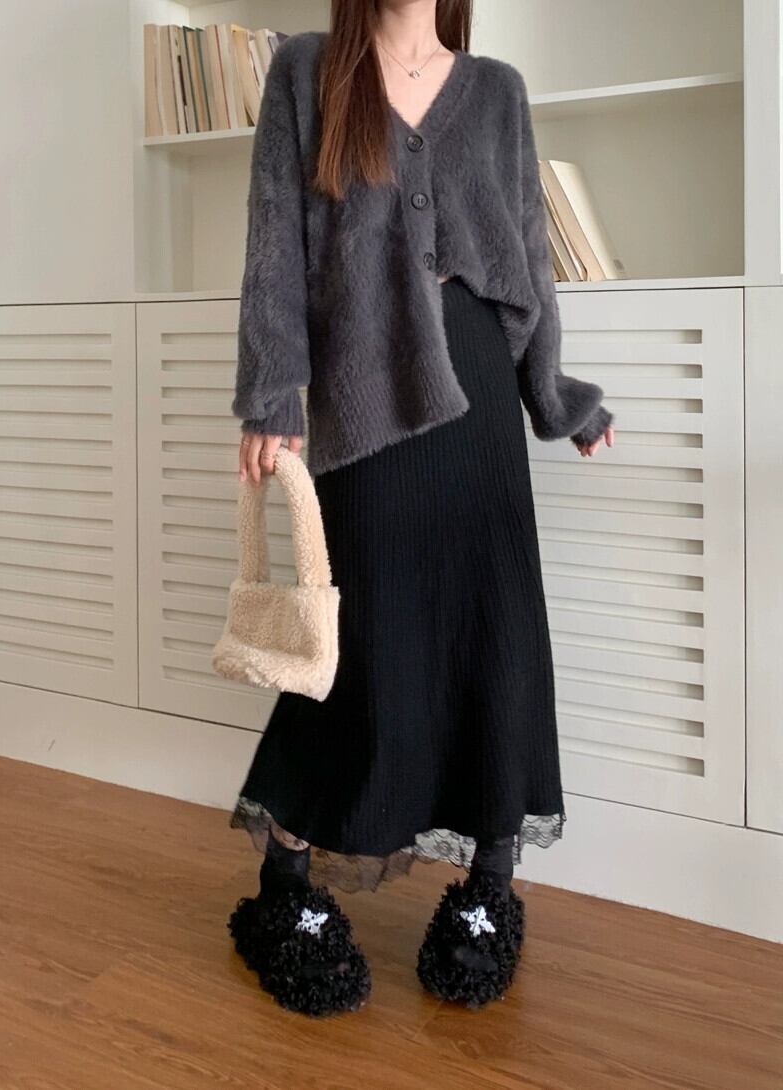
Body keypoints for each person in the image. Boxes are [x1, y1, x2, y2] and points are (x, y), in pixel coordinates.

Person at [226, 0, 616, 1018]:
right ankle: (285, 888)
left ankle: (489, 889)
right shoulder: (306, 72)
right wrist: (271, 397)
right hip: (363, 405)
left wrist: (557, 400)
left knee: (495, 635)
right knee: (358, 650)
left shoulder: (496, 94)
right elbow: (275, 243)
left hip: (477, 393)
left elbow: (526, 262)